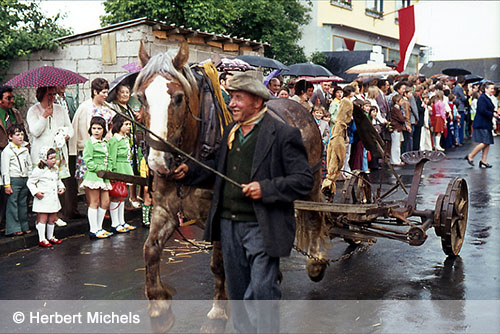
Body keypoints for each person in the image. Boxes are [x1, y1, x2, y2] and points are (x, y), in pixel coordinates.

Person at [174, 72, 313, 333]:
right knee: (237, 294)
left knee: (261, 290)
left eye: (238, 98)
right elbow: (218, 167)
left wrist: (266, 188)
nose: (231, 104)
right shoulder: (232, 132)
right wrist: (190, 171)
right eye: (231, 98)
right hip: (228, 226)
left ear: (257, 102)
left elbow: (303, 180)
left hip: (262, 225)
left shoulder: (283, 134)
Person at [26, 86, 73, 227]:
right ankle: (40, 218)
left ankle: (56, 215)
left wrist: (66, 135)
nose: (52, 97)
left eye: (53, 94)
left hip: (58, 152)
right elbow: (35, 132)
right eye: (49, 95)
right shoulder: (33, 111)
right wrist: (44, 116)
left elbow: (69, 127)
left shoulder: (60, 109)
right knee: (44, 184)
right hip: (41, 154)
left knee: (57, 183)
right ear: (41, 95)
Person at [69, 78, 114, 182]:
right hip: (89, 148)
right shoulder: (85, 107)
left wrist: (110, 133)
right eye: (103, 92)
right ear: (95, 92)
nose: (106, 95)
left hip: (104, 148)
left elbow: (113, 124)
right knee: (88, 181)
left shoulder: (108, 107)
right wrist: (74, 149)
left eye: (107, 92)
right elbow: (75, 127)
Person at [108, 84, 143, 208]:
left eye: (127, 92)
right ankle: (125, 197)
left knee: (133, 170)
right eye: (122, 92)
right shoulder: (114, 106)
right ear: (117, 94)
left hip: (132, 142)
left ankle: (133, 197)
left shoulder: (129, 107)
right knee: (125, 170)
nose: (125, 95)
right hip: (121, 141)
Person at [80, 116, 113, 239]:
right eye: (94, 128)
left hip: (104, 176)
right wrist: (98, 169)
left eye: (99, 128)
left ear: (103, 130)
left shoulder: (105, 143)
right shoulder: (89, 143)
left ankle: (99, 227)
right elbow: (88, 160)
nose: (96, 131)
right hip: (94, 175)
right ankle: (93, 229)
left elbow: (109, 158)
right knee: (94, 202)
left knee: (105, 202)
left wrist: (108, 169)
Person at [27, 147, 65, 247]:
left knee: (52, 218)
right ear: (44, 159)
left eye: (54, 158)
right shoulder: (39, 170)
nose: (54, 160)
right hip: (43, 198)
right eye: (51, 158)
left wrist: (61, 187)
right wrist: (36, 192)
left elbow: (58, 180)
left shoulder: (55, 169)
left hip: (53, 198)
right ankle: (42, 238)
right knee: (43, 218)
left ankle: (50, 236)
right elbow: (30, 182)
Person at [55, 86, 81, 219]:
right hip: (56, 142)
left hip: (69, 140)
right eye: (60, 84)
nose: (63, 86)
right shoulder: (50, 100)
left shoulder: (69, 98)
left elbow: (73, 117)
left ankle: (72, 208)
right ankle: (60, 211)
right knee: (59, 176)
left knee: (71, 175)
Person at [1, 124, 32, 236]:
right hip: (13, 180)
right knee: (12, 204)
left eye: (22, 134)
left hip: (24, 179)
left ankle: (24, 225)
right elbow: (5, 169)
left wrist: (30, 178)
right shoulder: (7, 151)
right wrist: (7, 184)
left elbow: (29, 165)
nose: (20, 137)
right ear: (10, 137)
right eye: (17, 135)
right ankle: (14, 227)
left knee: (23, 203)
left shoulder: (25, 149)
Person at [108, 113, 137, 233]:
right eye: (126, 124)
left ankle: (122, 221)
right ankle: (115, 223)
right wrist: (113, 173)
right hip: (118, 168)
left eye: (129, 124)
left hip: (125, 168)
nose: (128, 126)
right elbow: (112, 157)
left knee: (123, 196)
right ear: (119, 125)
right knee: (116, 196)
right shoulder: (115, 140)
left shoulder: (125, 138)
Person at [0, 86, 25, 225]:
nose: (11, 100)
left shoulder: (15, 113)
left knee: (13, 192)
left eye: (12, 97)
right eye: (8, 98)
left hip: (15, 153)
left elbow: (22, 131)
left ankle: (9, 221)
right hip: (2, 152)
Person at [465, 82, 499, 168]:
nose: (493, 90)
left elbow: (487, 108)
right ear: (486, 89)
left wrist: (494, 111)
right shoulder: (482, 98)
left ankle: (484, 160)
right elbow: (482, 110)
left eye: (493, 88)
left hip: (486, 123)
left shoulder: (487, 98)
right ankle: (471, 155)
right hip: (482, 123)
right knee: (484, 142)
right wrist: (492, 114)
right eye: (491, 88)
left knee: (488, 142)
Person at [390, 94, 407, 166]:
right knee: (395, 145)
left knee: (396, 145)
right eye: (401, 100)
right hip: (396, 128)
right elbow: (401, 119)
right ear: (397, 102)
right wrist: (404, 118)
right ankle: (395, 160)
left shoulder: (397, 108)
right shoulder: (396, 109)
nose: (402, 102)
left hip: (397, 128)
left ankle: (396, 159)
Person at [453, 75, 468, 145]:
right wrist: (465, 96)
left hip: (457, 106)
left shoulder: (455, 88)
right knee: (460, 124)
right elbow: (463, 98)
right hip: (460, 107)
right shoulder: (459, 88)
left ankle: (458, 139)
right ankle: (460, 139)